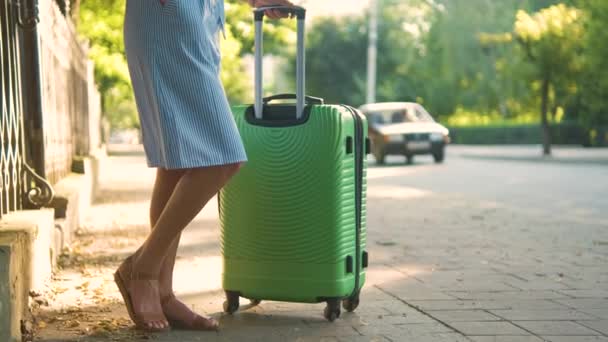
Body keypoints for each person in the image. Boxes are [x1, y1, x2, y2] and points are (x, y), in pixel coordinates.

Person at [117, 0, 294, 332]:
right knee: (224, 157)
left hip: (197, 18)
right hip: (168, 17)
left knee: (180, 161)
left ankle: (163, 293)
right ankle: (142, 269)